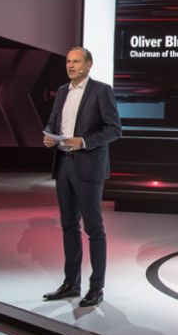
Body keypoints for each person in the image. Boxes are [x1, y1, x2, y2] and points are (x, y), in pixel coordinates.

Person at [41, 47, 121, 308]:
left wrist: (85, 141)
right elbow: (54, 122)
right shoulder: (63, 91)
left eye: (76, 61)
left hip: (88, 166)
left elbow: (114, 129)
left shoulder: (101, 90)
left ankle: (96, 288)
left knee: (94, 229)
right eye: (68, 61)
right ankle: (71, 284)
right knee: (68, 226)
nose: (71, 65)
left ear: (88, 65)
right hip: (63, 164)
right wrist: (50, 136)